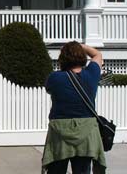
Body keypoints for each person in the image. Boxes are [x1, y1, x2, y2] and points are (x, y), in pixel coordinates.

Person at [42, 42, 106, 174]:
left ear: (63, 58)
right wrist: (81, 46)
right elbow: (97, 54)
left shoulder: (55, 78)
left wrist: (68, 49)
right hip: (86, 131)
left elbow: (49, 89)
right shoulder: (92, 74)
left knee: (56, 170)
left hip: (60, 131)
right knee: (83, 170)